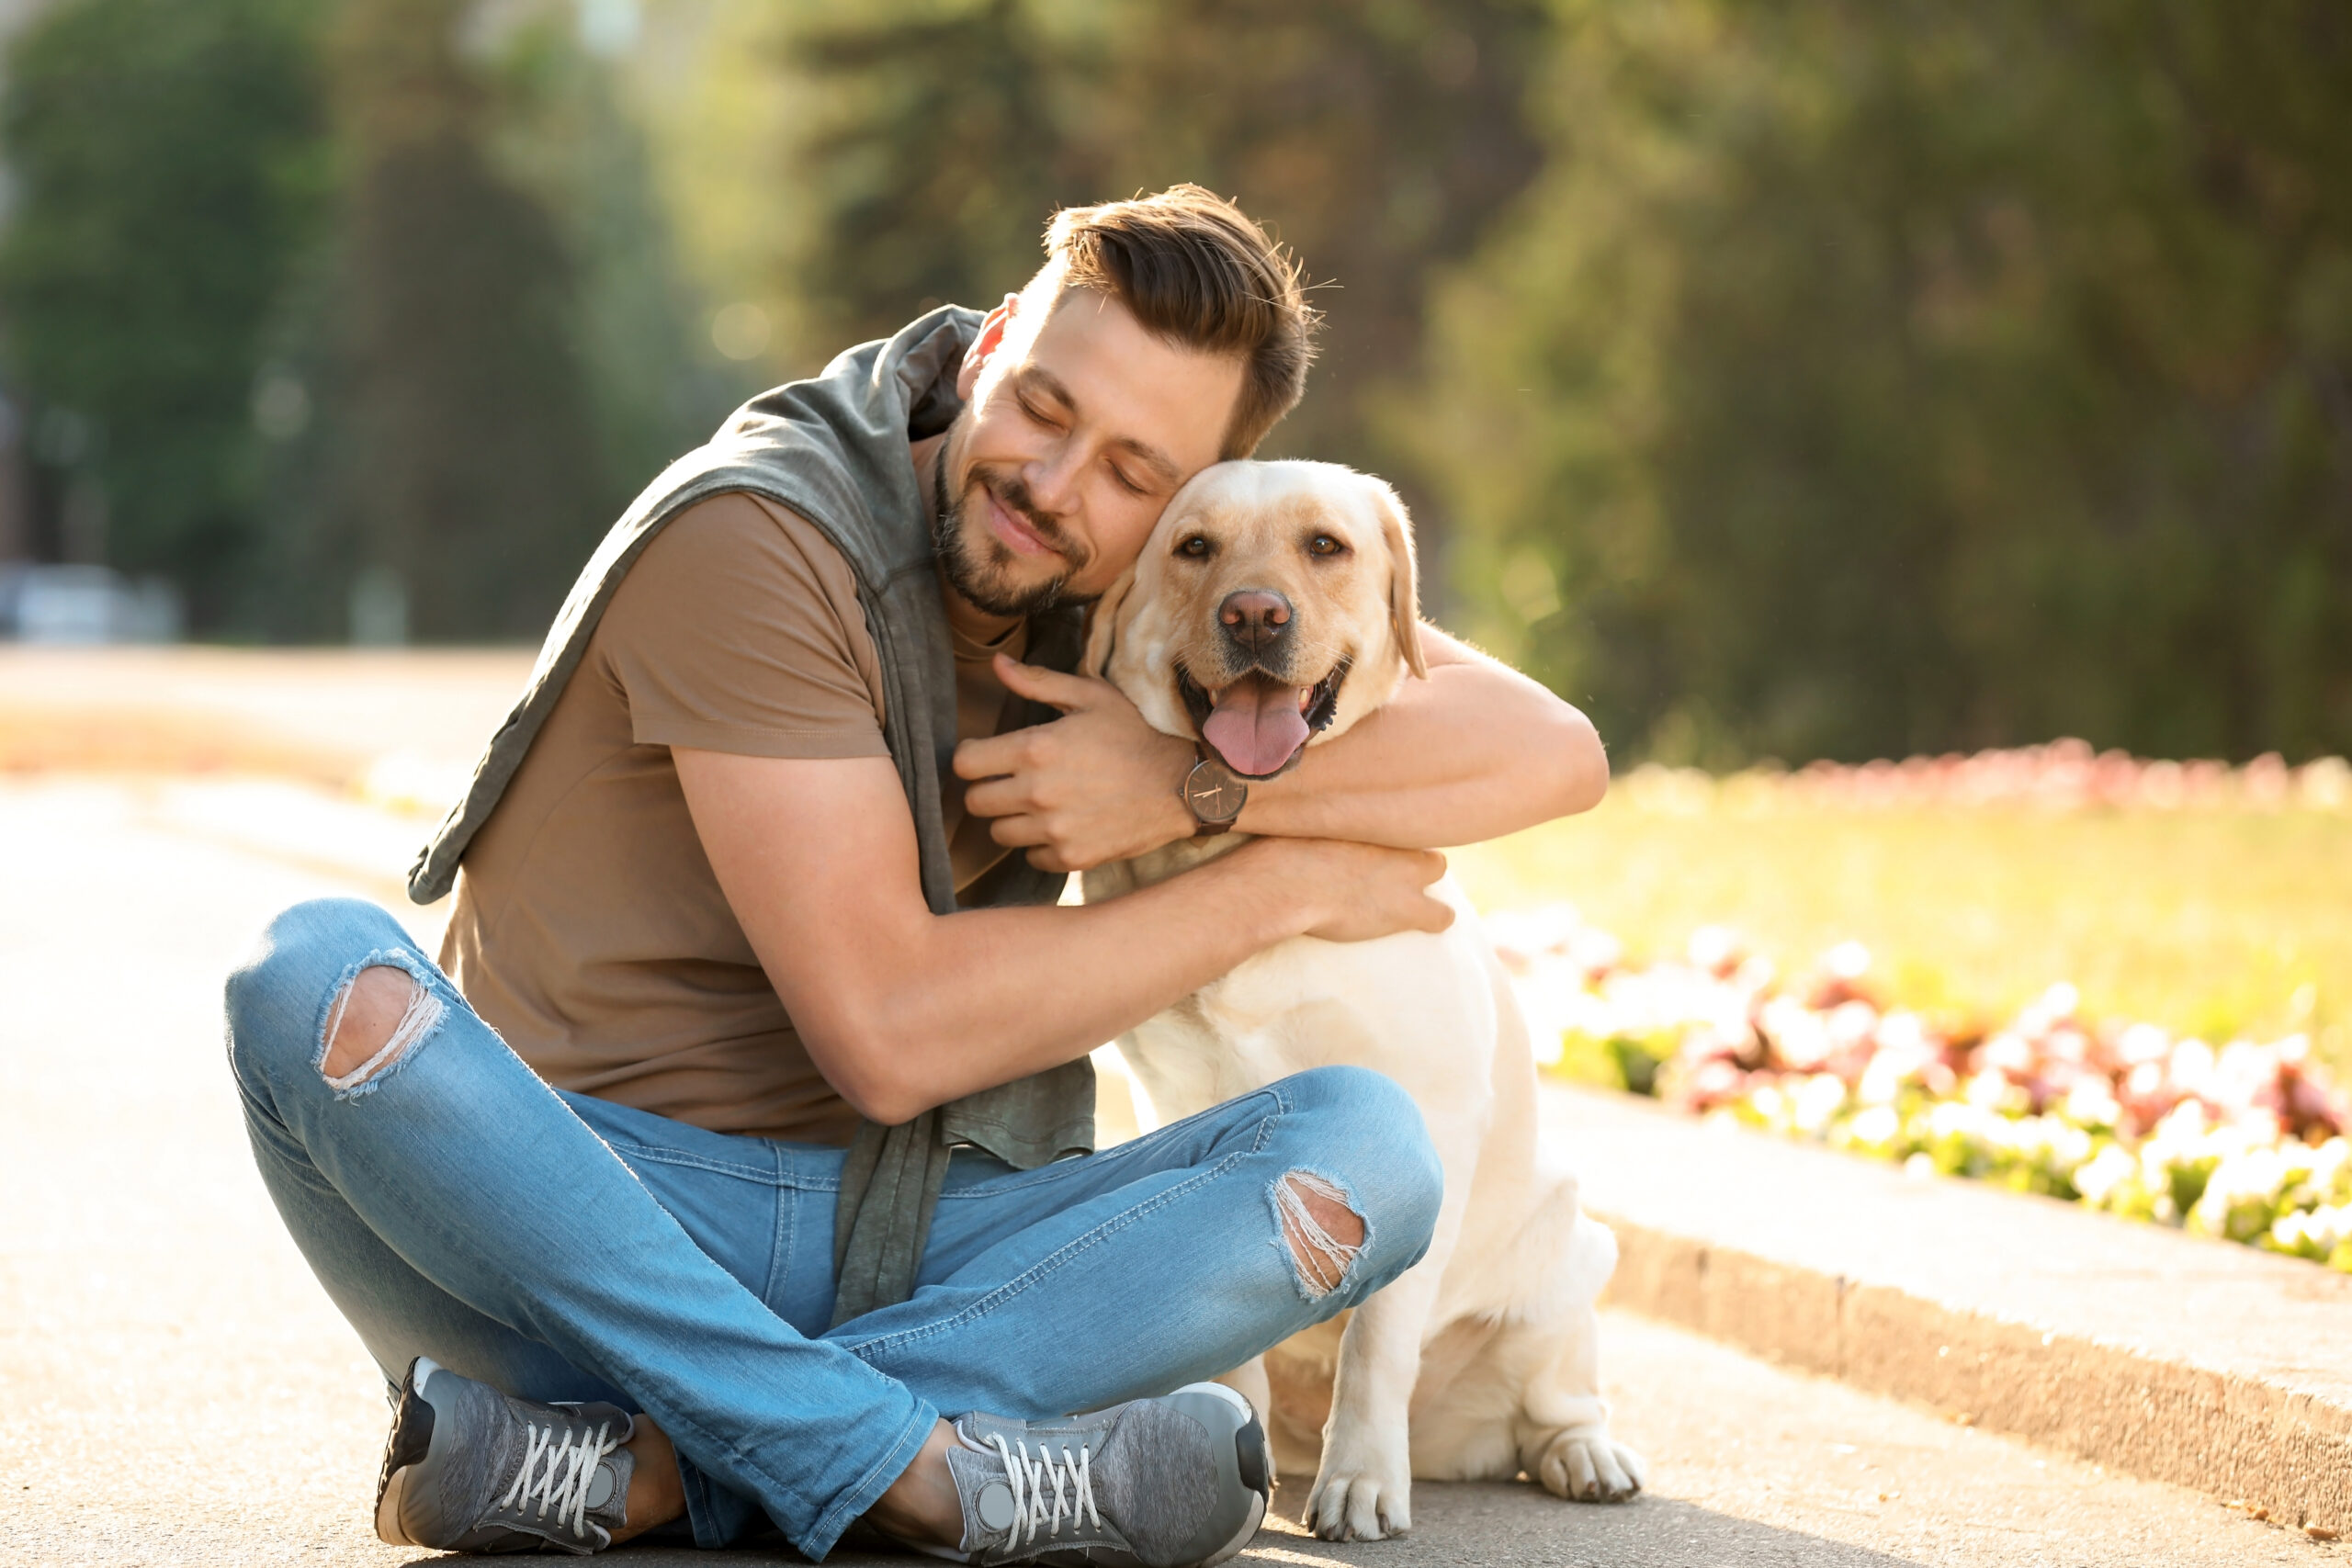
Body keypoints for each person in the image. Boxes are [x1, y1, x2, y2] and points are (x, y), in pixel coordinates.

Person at [223, 186, 1608, 1563]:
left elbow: (1552, 750)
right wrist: (1278, 882)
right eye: (1046, 410)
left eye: (1133, 472)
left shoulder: (1134, 595)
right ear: (992, 341)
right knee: (304, 976)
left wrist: (1182, 779)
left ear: (1180, 504)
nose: (1058, 486)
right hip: (586, 1246)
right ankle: (931, 1471)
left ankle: (652, 1470)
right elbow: (888, 1035)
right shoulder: (758, 536)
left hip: (916, 1249)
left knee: (1372, 1148)